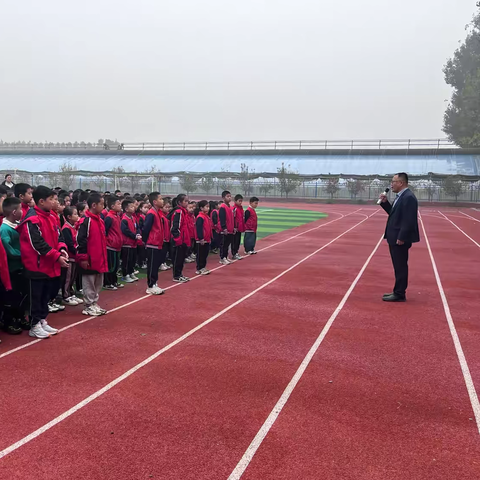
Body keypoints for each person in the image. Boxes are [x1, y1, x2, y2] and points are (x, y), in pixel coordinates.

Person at [17, 185, 69, 339]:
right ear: (41, 201)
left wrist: (62, 249)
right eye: (52, 199)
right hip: (36, 266)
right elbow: (37, 244)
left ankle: (41, 319)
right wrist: (56, 256)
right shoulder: (32, 220)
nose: (55, 202)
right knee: (36, 296)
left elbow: (59, 236)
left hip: (50, 264)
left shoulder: (52, 217)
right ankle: (34, 324)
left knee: (47, 295)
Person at [379, 172, 420, 302]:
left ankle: (399, 293)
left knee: (401, 266)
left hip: (399, 239)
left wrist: (402, 237)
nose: (391, 184)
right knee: (398, 266)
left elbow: (408, 220)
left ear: (401, 183)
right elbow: (395, 214)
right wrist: (385, 203)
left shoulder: (408, 197)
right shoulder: (401, 196)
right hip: (395, 236)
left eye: (393, 182)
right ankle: (397, 291)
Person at [76, 193, 108, 316]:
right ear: (93, 205)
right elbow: (80, 240)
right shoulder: (86, 221)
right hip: (89, 259)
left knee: (98, 282)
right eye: (101, 204)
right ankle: (88, 305)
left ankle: (94, 302)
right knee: (89, 282)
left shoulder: (99, 220)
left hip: (100, 257)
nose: (103, 206)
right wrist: (83, 258)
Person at [0, 197, 25, 334]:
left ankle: (20, 317)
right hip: (11, 269)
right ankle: (8, 322)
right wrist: (24, 255)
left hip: (20, 267)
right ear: (14, 212)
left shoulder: (16, 225)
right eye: (21, 209)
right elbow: (8, 250)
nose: (22, 211)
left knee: (20, 295)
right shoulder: (4, 229)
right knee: (11, 297)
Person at [142, 192, 166, 295]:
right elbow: (146, 229)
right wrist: (147, 241)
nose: (163, 201)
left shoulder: (158, 213)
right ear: (155, 202)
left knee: (156, 265)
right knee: (152, 265)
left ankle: (154, 283)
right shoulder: (151, 213)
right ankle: (150, 286)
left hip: (157, 243)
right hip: (152, 243)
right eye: (161, 199)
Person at [61, 206, 83, 306]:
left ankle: (71, 292)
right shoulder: (66, 228)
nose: (77, 216)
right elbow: (69, 244)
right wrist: (76, 252)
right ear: (69, 217)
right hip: (69, 257)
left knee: (73, 276)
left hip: (75, 257)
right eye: (75, 214)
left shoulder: (73, 227)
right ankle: (65, 296)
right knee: (68, 277)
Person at [103, 196, 124, 290]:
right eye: (118, 204)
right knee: (111, 266)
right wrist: (109, 240)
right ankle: (107, 283)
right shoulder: (109, 217)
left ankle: (114, 281)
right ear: (112, 206)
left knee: (116, 266)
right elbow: (105, 231)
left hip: (117, 246)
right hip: (110, 246)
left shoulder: (117, 216)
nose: (120, 206)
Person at [170, 194, 191, 283]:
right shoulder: (179, 212)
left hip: (184, 239)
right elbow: (175, 227)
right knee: (178, 258)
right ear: (179, 202)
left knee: (181, 259)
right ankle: (176, 276)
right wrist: (178, 239)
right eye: (185, 201)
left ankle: (180, 274)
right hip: (179, 240)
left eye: (187, 201)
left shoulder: (184, 211)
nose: (187, 202)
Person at [120, 198, 140, 283]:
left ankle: (131, 272)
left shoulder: (133, 218)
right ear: (126, 209)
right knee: (126, 261)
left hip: (133, 243)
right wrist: (134, 236)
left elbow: (137, 227)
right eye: (131, 207)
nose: (134, 208)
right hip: (127, 244)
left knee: (132, 260)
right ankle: (125, 275)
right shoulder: (124, 219)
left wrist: (138, 234)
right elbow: (125, 231)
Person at [195, 200, 212, 275]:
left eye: (209, 207)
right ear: (201, 208)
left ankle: (203, 267)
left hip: (207, 239)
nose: (208, 208)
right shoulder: (200, 217)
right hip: (201, 240)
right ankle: (199, 268)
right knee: (200, 254)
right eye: (206, 207)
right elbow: (199, 228)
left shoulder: (207, 217)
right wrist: (201, 238)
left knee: (205, 254)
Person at [218, 190, 235, 265]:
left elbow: (232, 218)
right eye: (227, 196)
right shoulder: (222, 207)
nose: (229, 198)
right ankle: (222, 258)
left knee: (228, 244)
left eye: (230, 196)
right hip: (225, 229)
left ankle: (226, 256)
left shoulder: (231, 207)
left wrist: (233, 227)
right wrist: (224, 228)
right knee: (224, 244)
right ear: (223, 198)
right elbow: (222, 218)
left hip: (230, 228)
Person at [231, 194, 245, 260]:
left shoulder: (241, 208)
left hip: (240, 227)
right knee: (234, 241)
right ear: (235, 201)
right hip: (235, 228)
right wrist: (234, 227)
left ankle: (236, 252)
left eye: (241, 201)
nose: (240, 202)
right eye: (239, 201)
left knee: (238, 241)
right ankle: (234, 253)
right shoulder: (234, 209)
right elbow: (232, 218)